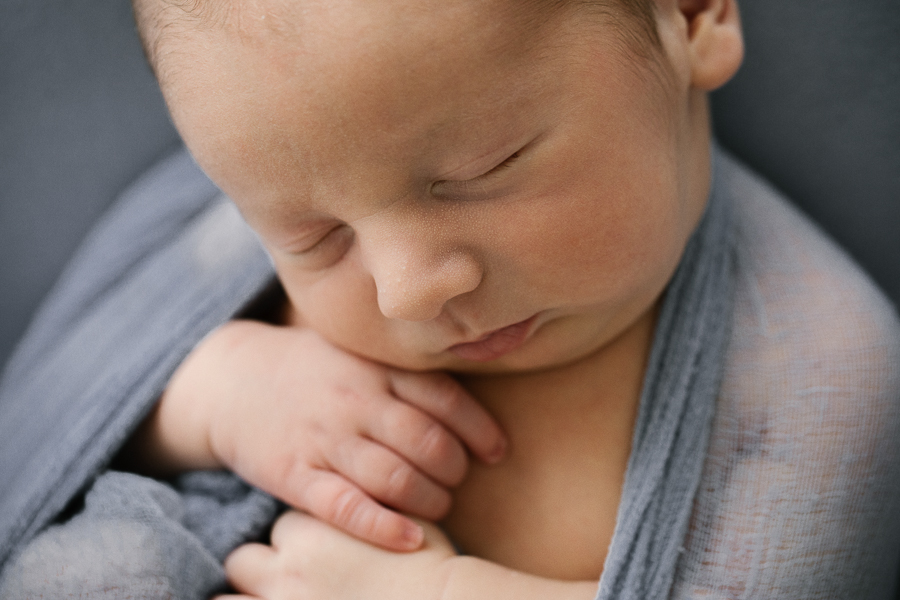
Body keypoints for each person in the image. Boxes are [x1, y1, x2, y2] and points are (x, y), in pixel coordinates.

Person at [1, 0, 898, 598]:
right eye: (316, 239)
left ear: (690, 13)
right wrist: (208, 393)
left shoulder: (818, 389)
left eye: (481, 170)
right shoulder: (250, 198)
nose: (409, 290)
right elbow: (42, 424)